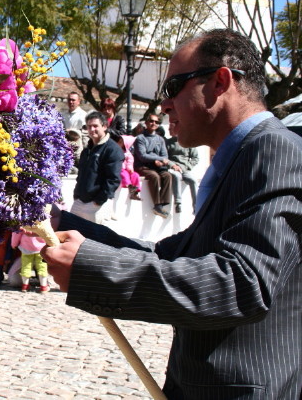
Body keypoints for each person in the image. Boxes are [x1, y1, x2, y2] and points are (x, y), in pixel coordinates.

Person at [41, 28, 302, 399]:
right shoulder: (241, 157)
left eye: (172, 88)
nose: (162, 105)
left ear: (219, 81)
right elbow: (172, 255)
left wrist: (90, 269)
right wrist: (61, 225)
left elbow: (242, 284)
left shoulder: (275, 151)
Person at [70, 111, 124, 224]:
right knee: (70, 234)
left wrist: (98, 202)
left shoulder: (112, 149)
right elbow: (81, 175)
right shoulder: (87, 150)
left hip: (96, 206)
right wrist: (77, 195)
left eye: (95, 126)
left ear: (104, 126)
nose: (92, 129)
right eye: (89, 126)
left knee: (94, 240)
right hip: (79, 202)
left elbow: (113, 180)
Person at [133, 114, 173, 218]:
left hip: (157, 166)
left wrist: (160, 162)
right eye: (151, 121)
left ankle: (163, 203)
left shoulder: (160, 139)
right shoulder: (140, 138)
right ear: (146, 123)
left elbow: (165, 155)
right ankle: (157, 205)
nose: (153, 123)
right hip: (142, 166)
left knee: (167, 175)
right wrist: (158, 159)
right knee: (154, 176)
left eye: (156, 122)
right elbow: (142, 156)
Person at [165, 121, 199, 213]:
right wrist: (173, 165)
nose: (169, 131)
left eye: (170, 129)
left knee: (193, 180)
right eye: (169, 129)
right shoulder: (167, 143)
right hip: (174, 168)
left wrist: (187, 166)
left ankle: (196, 206)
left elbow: (195, 158)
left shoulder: (187, 141)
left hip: (185, 169)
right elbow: (165, 158)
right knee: (176, 176)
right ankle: (178, 203)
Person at [115, 134, 141, 200]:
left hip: (126, 169)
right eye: (119, 141)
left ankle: (135, 191)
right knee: (124, 174)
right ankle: (128, 185)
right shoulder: (115, 151)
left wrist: (130, 168)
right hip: (120, 169)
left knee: (135, 175)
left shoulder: (128, 154)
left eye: (121, 142)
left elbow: (130, 161)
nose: (118, 143)